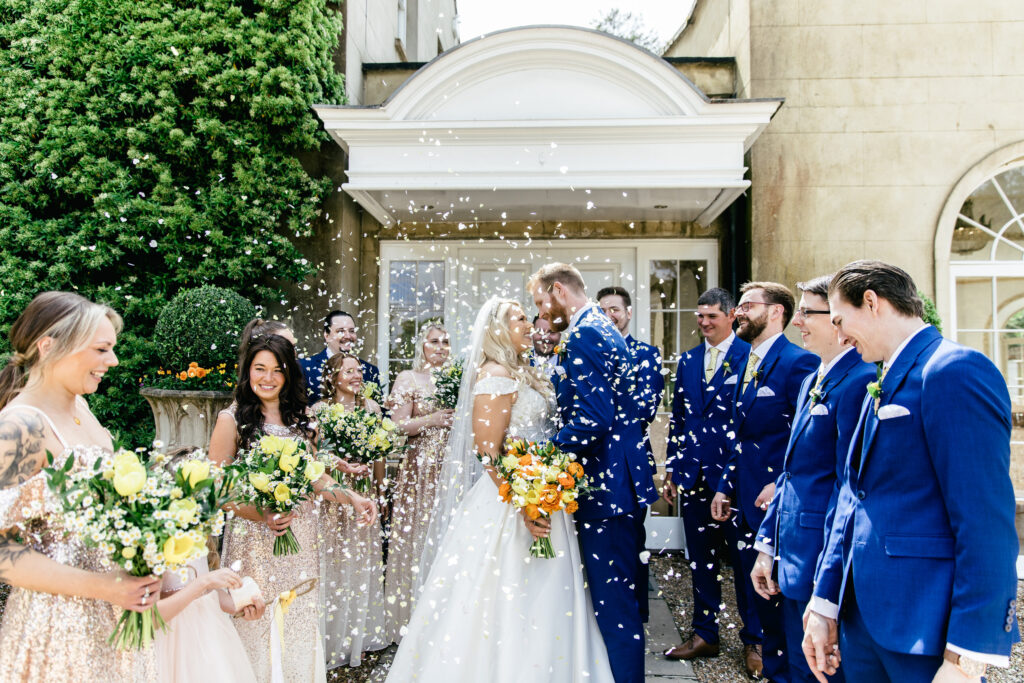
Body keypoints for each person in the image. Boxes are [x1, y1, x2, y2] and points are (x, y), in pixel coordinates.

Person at [803, 261, 1019, 683]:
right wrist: (826, 601)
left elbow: (985, 522)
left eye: (841, 320)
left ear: (872, 302)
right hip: (862, 623)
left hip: (925, 629)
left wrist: (967, 655)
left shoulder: (954, 371)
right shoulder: (878, 379)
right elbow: (853, 495)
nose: (840, 334)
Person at [385, 297, 614, 682]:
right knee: (502, 595)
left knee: (547, 593)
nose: (529, 323)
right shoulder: (493, 374)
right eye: (520, 318)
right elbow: (488, 453)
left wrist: (547, 485)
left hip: (544, 492)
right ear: (497, 329)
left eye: (528, 316)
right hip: (510, 501)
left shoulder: (524, 371)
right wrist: (523, 502)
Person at [0, 291, 159, 682]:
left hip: (114, 618)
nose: (114, 361)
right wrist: (104, 587)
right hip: (56, 628)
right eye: (102, 349)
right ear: (48, 346)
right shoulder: (21, 427)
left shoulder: (82, 409)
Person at [209, 333, 377, 683]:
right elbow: (218, 489)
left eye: (277, 370)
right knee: (253, 626)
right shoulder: (232, 419)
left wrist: (353, 497)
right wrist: (262, 513)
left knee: (299, 624)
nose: (267, 378)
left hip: (299, 540)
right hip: (252, 542)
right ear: (247, 371)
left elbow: (318, 478)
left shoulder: (304, 420)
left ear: (288, 375)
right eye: (259, 369)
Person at [531, 264, 658, 683]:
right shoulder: (599, 328)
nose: (543, 317)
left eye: (541, 305)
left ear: (557, 290)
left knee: (614, 604)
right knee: (615, 600)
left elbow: (593, 418)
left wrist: (545, 464)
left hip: (607, 490)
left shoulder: (585, 333)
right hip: (615, 482)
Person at [748, 275, 874, 683]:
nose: (797, 321)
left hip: (823, 555)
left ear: (838, 321)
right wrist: (768, 544)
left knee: (822, 672)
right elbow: (791, 472)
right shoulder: (809, 381)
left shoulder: (859, 383)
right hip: (792, 552)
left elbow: (848, 484)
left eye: (806, 312)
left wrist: (827, 580)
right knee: (796, 666)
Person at [711, 281, 818, 681]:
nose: (737, 312)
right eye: (737, 307)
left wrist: (783, 485)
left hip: (778, 507)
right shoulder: (744, 364)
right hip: (743, 502)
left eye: (747, 306)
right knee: (758, 605)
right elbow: (740, 436)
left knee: (784, 614)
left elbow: (805, 439)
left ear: (776, 313)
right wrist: (724, 484)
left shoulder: (798, 364)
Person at [661, 288, 763, 670]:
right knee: (699, 561)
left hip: (736, 480)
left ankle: (755, 642)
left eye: (711, 317)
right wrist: (672, 468)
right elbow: (680, 418)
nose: (703, 322)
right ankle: (705, 634)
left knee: (743, 561)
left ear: (731, 315)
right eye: (699, 316)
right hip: (694, 475)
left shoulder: (748, 356)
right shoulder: (688, 360)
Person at [315, 353, 390, 668]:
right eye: (349, 371)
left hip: (365, 494)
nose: (357, 375)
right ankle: (330, 637)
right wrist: (340, 464)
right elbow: (314, 454)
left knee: (361, 563)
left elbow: (381, 453)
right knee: (333, 563)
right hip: (332, 499)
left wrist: (381, 489)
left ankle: (357, 637)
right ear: (333, 377)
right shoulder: (318, 411)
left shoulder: (372, 409)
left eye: (359, 370)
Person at [382, 322, 455, 640]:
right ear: (422, 346)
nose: (440, 347)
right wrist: (433, 420)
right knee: (418, 537)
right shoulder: (408, 378)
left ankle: (445, 618)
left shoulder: (457, 379)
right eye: (434, 341)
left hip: (449, 469)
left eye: (445, 342)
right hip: (419, 471)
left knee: (445, 537)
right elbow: (396, 426)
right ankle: (411, 619)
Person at [300, 311, 381, 404]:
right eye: (340, 331)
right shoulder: (304, 367)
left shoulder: (370, 370)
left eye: (351, 331)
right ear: (327, 335)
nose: (347, 336)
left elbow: (381, 413)